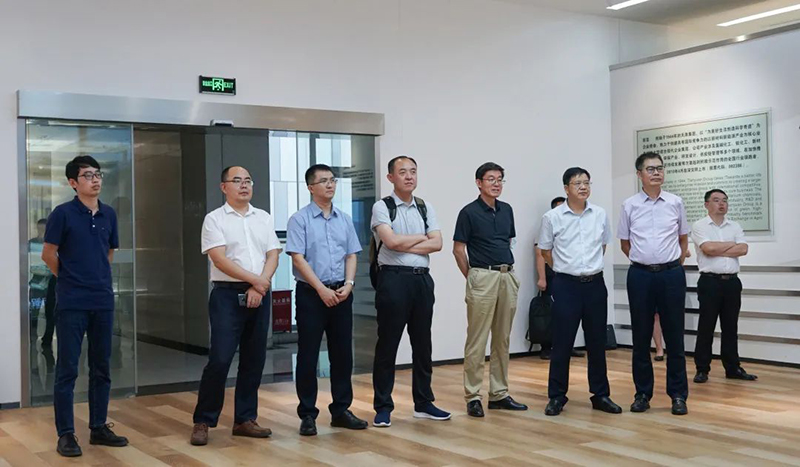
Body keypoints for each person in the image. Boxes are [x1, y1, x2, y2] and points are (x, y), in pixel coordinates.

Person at [42, 155, 128, 457]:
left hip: (102, 300)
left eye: (98, 174)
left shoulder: (109, 214)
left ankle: (98, 427)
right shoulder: (62, 213)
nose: (95, 180)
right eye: (88, 175)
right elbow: (48, 254)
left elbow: (109, 252)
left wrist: (96, 278)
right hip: (72, 302)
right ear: (73, 183)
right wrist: (70, 278)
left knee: (101, 367)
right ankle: (66, 434)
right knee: (67, 369)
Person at [191, 166, 281, 446]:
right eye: (237, 180)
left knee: (254, 359)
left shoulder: (263, 217)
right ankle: (203, 420)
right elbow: (219, 259)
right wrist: (256, 281)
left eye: (248, 181)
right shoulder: (214, 219)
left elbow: (273, 254)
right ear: (224, 187)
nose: (244, 185)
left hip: (259, 293)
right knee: (220, 359)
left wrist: (260, 285)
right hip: (227, 296)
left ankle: (245, 419)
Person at [286, 164, 368, 436]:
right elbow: (298, 258)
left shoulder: (344, 219)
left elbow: (352, 254)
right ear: (311, 187)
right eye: (323, 181)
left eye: (332, 180)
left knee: (342, 354)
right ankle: (308, 414)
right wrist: (321, 289)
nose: (330, 185)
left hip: (341, 293)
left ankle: (341, 410)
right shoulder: (299, 219)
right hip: (311, 294)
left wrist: (349, 284)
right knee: (308, 355)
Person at [371, 155, 451, 428]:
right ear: (390, 177)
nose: (409, 176)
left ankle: (424, 403)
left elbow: (438, 243)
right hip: (393, 280)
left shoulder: (425, 207)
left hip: (422, 280)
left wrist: (405, 242)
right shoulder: (382, 207)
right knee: (388, 344)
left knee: (423, 344)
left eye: (413, 171)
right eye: (403, 172)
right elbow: (390, 242)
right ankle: (383, 407)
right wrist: (421, 237)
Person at [537, 168, 620, 416]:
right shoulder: (552, 217)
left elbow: (602, 246)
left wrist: (588, 268)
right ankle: (557, 396)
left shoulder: (600, 214)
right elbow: (545, 251)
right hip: (566, 285)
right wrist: (565, 270)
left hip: (595, 284)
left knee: (597, 341)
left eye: (586, 182)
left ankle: (600, 394)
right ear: (566, 188)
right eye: (577, 183)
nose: (583, 187)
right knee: (562, 342)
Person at [617, 152, 690, 416]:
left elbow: (683, 239)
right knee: (641, 336)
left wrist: (671, 263)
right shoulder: (629, 205)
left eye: (660, 168)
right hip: (640, 275)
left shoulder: (675, 202)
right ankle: (642, 394)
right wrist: (646, 262)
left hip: (671, 275)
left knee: (675, 336)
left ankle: (678, 395)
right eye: (650, 169)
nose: (656, 172)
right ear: (639, 174)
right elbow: (625, 243)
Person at [453, 162, 528, 418]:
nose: (496, 184)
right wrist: (473, 276)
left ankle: (499, 394)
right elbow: (458, 250)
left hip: (507, 275)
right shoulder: (468, 212)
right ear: (479, 183)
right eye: (491, 179)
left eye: (500, 179)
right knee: (477, 339)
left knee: (502, 338)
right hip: (482, 276)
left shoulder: (507, 210)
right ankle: (473, 396)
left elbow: (508, 241)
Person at [691, 189, 757, 384]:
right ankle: (702, 369)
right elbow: (708, 249)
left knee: (730, 327)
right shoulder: (700, 225)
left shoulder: (734, 225)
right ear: (706, 204)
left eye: (724, 200)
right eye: (716, 200)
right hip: (710, 282)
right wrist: (730, 245)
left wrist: (718, 248)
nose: (721, 204)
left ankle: (733, 367)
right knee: (706, 326)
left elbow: (743, 249)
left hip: (732, 283)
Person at [535, 197, 584, 360]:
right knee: (550, 312)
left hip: (571, 276)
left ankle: (567, 346)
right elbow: (540, 254)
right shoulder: (548, 223)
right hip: (553, 274)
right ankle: (546, 347)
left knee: (571, 313)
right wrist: (542, 278)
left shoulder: (575, 226)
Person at [30, 218, 57, 347]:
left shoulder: (54, 244)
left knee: (50, 312)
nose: (42, 232)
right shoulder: (32, 243)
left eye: (44, 229)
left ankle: (47, 339)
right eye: (40, 229)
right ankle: (32, 336)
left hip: (51, 283)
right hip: (36, 283)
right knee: (33, 312)